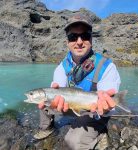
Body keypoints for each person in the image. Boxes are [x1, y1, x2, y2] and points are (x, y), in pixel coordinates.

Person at [34, 13, 121, 150]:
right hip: (69, 104)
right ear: (67, 42)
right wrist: (53, 100)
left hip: (94, 109)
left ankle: (101, 132)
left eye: (85, 36)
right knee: (43, 99)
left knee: (73, 142)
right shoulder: (62, 67)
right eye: (73, 37)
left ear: (91, 39)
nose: (79, 41)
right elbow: (56, 91)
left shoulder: (107, 67)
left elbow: (109, 106)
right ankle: (47, 127)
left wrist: (107, 106)